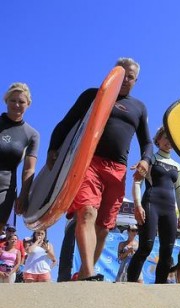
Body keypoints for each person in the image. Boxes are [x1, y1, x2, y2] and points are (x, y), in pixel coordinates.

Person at [47, 58, 153, 281]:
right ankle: (88, 272)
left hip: (118, 170)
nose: (125, 80)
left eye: (130, 77)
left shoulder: (139, 107)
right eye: (121, 75)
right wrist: (53, 147)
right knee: (86, 212)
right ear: (113, 73)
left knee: (104, 227)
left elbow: (147, 142)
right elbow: (66, 122)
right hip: (89, 162)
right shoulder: (93, 95)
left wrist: (145, 160)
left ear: (136, 80)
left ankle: (86, 271)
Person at [127, 126, 180, 284]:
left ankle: (160, 289)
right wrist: (137, 205)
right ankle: (129, 285)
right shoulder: (150, 159)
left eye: (171, 138)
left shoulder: (178, 166)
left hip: (169, 209)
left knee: (167, 250)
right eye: (165, 137)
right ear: (158, 140)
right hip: (151, 204)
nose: (168, 141)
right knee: (146, 246)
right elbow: (137, 182)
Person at [0, 83, 39, 231]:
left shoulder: (32, 135)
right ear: (6, 101)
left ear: (28, 104)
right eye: (13, 100)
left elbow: (29, 169)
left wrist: (24, 195)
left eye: (21, 102)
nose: (17, 104)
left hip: (5, 190)